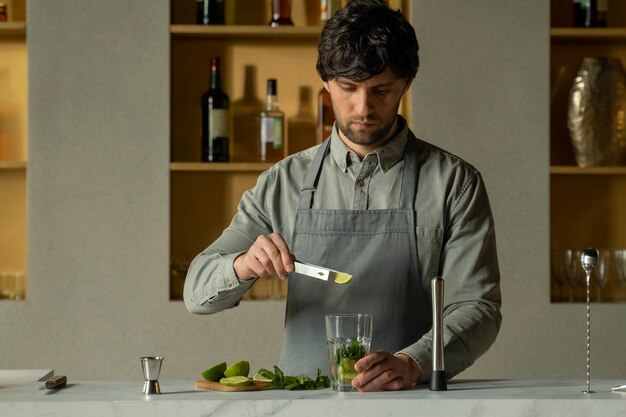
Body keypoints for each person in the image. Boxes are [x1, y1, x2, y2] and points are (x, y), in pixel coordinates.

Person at [184, 0, 501, 392]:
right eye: (348, 89)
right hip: (297, 403)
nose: (363, 107)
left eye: (380, 90)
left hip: (410, 401)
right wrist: (243, 265)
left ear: (406, 83)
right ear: (326, 82)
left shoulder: (455, 183)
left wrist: (413, 361)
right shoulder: (281, 183)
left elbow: (478, 307)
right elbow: (197, 292)